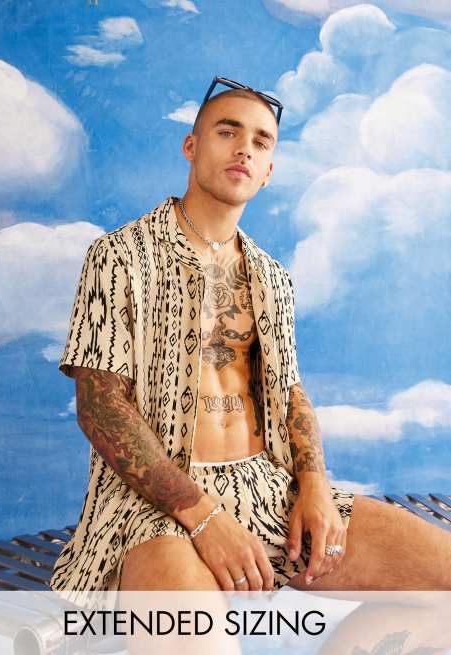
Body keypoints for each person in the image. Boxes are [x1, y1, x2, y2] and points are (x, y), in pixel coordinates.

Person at [50, 77, 451, 595]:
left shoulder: (272, 277)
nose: (245, 148)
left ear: (268, 172)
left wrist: (314, 485)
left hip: (267, 489)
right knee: (193, 632)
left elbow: (290, 393)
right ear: (191, 146)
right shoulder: (120, 256)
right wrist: (202, 516)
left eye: (261, 142)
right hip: (152, 506)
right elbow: (101, 407)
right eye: (228, 132)